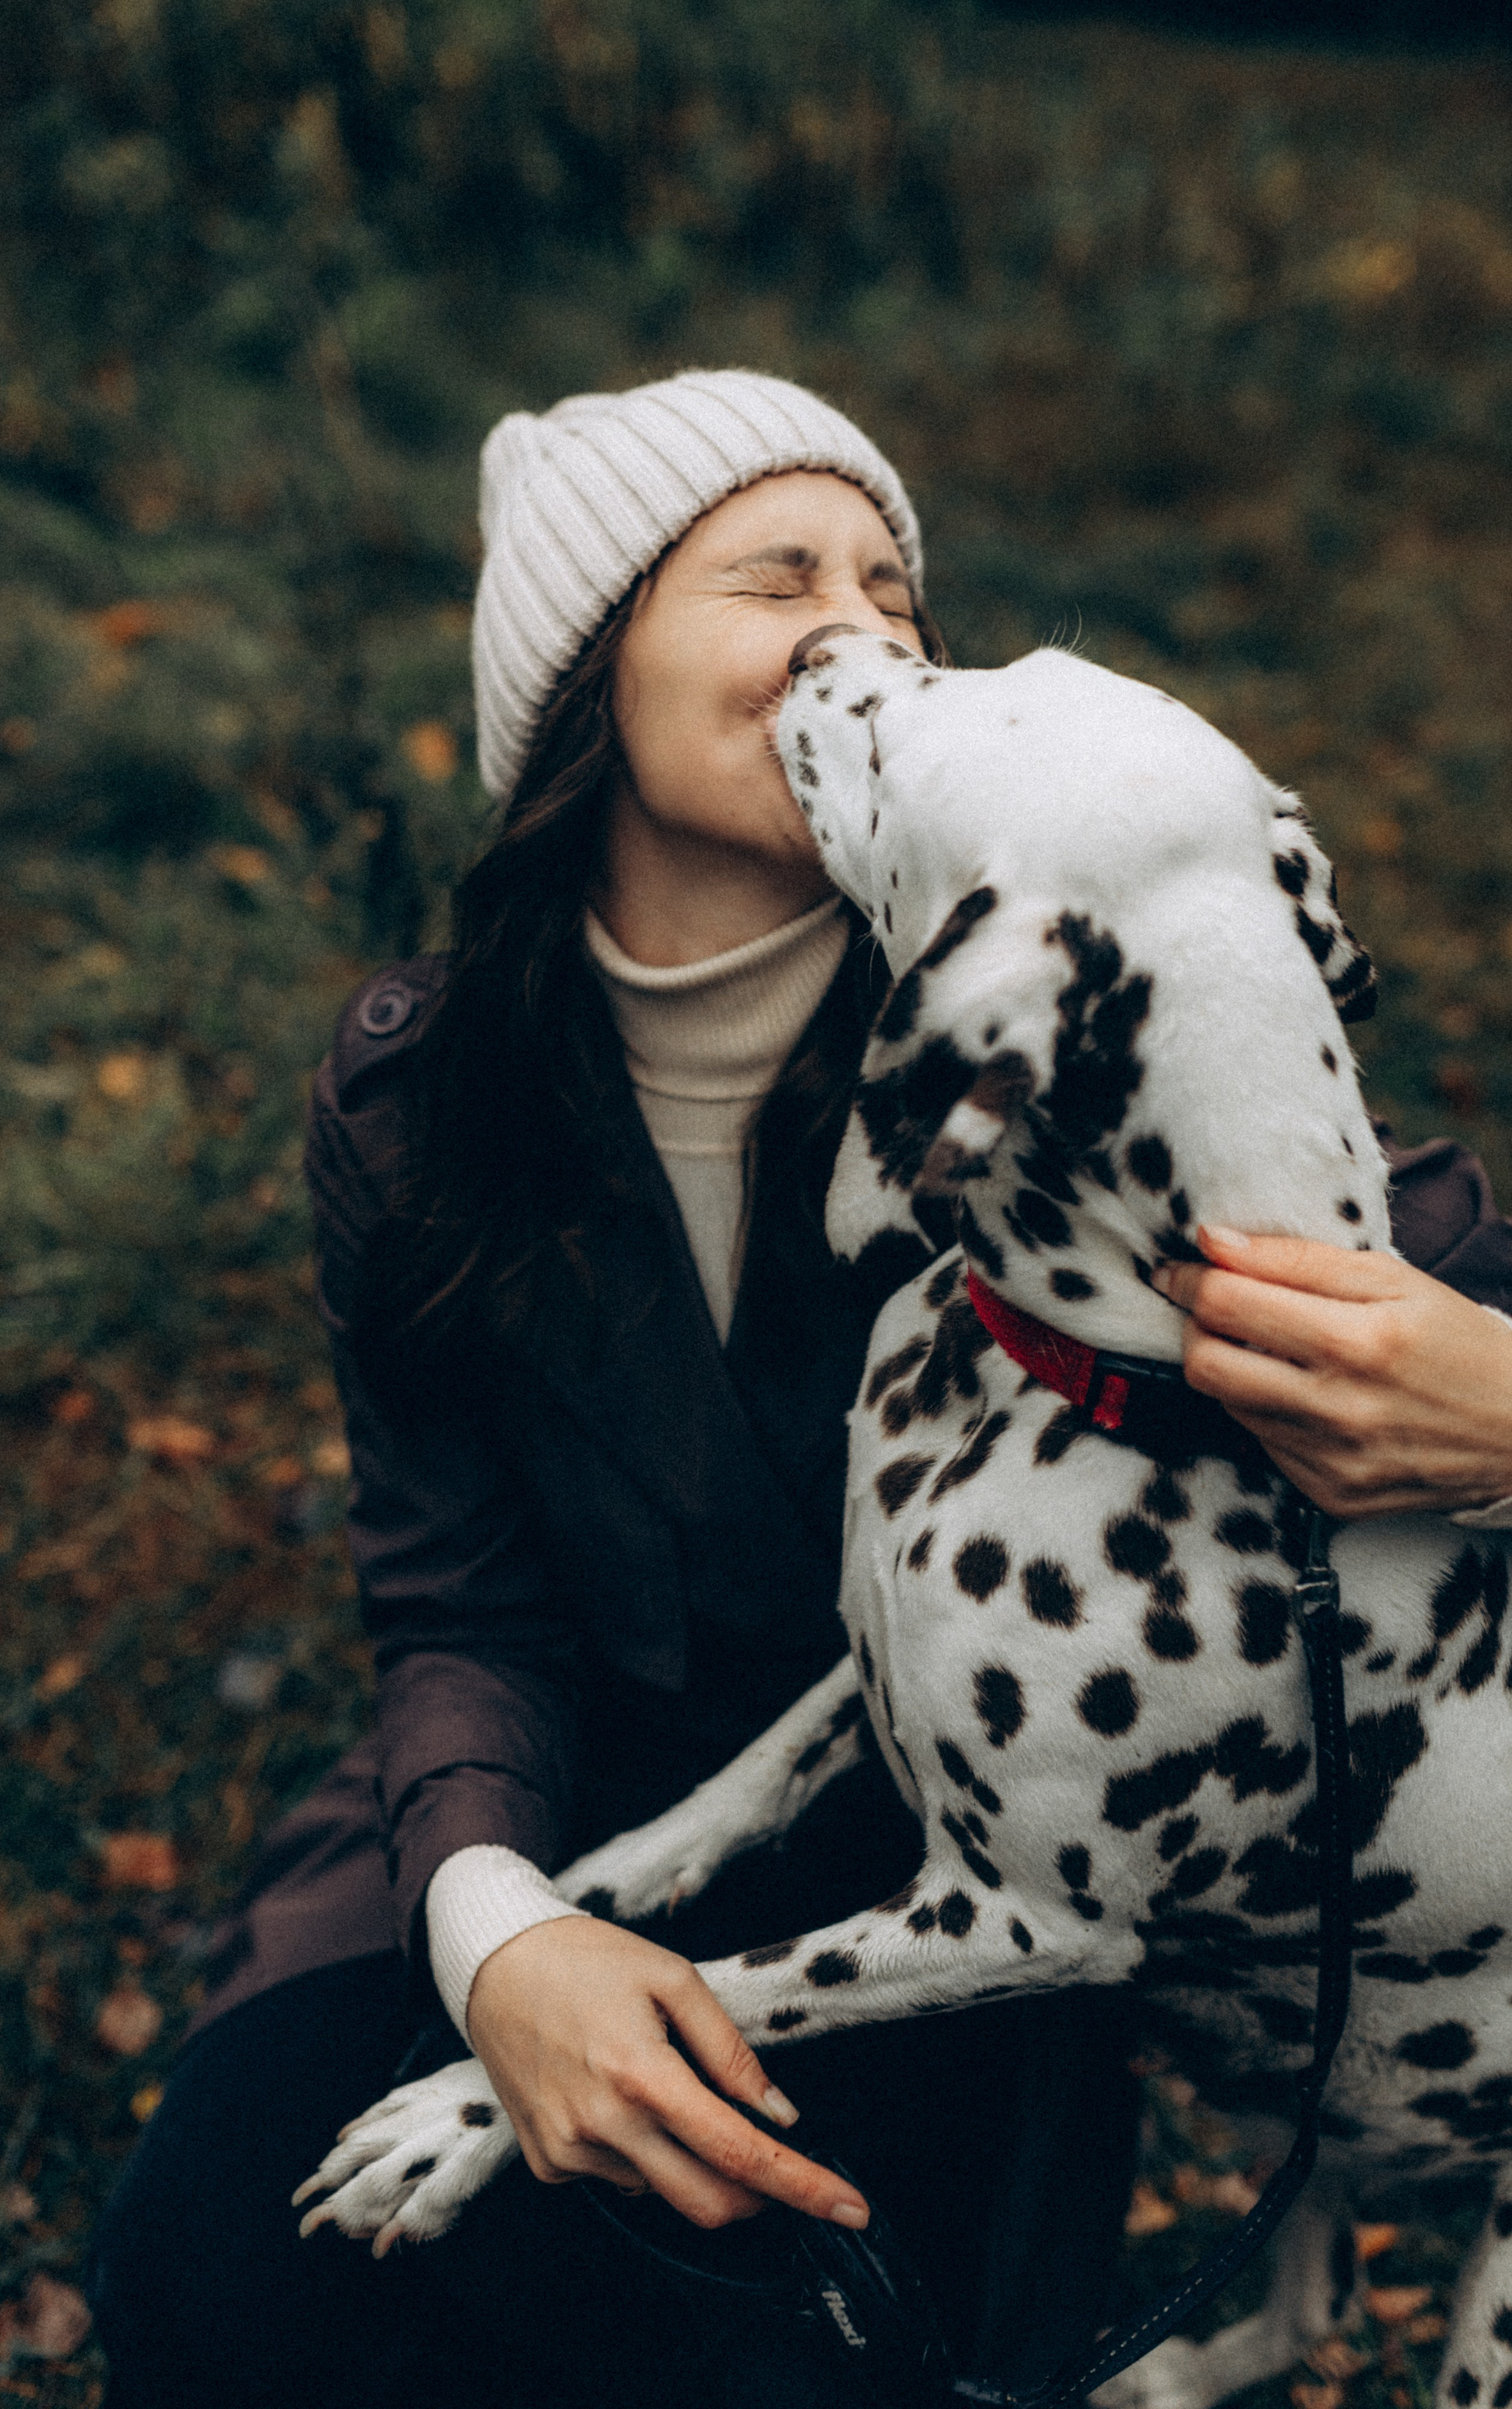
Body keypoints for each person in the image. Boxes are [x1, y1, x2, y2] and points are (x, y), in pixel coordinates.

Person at [88, 370, 1512, 2409]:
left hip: (965, 1861)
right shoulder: (421, 1099)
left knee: (806, 2358)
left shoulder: (1041, 1001)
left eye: (892, 593)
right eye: (777, 579)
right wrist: (501, 1941)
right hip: (584, 1802)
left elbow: (1379, 1243)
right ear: (591, 680)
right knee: (223, 2288)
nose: (861, 632)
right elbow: (458, 1609)